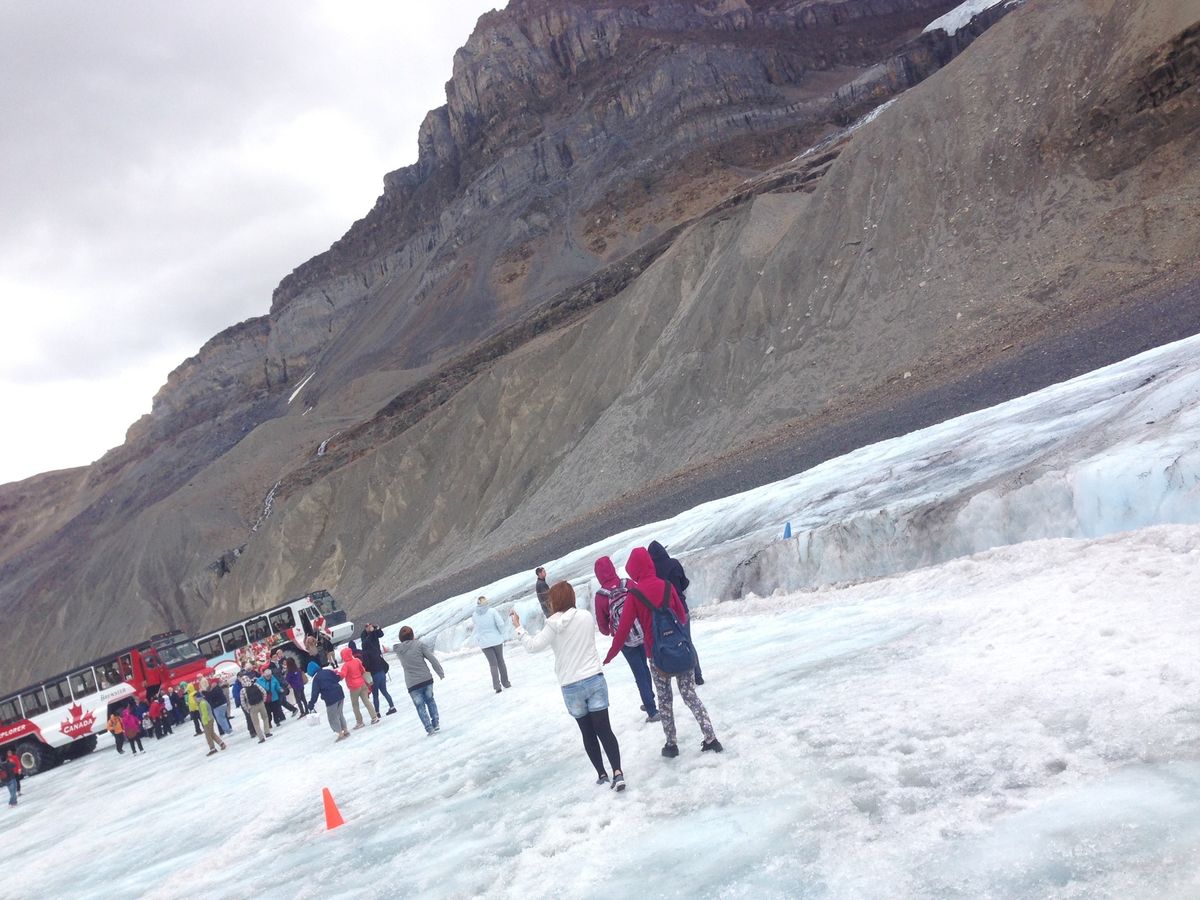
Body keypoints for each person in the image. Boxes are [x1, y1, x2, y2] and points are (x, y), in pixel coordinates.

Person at [604, 546, 723, 757]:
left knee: (665, 701)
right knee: (690, 695)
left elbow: (623, 630)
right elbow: (682, 617)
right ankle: (711, 738)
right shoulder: (667, 586)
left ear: (634, 569)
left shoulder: (635, 595)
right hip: (680, 649)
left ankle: (671, 745)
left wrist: (611, 654)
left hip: (657, 657)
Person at [511, 582, 625, 791]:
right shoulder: (585, 617)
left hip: (571, 685)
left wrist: (518, 627)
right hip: (593, 678)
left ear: (554, 601)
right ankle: (618, 773)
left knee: (587, 732)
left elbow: (532, 646)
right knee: (604, 729)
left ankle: (602, 774)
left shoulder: (551, 625)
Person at [594, 556, 659, 723]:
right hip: (642, 632)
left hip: (624, 640)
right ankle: (649, 698)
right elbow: (642, 602)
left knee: (638, 671)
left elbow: (602, 626)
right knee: (645, 666)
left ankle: (651, 709)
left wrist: (610, 630)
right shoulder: (628, 583)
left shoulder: (600, 596)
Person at [648, 540, 703, 684]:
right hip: (682, 609)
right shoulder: (674, 563)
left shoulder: (652, 570)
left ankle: (675, 672)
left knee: (670, 644)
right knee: (687, 642)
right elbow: (684, 583)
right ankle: (697, 675)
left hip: (665, 614)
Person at [392, 626, 445, 735]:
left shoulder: (398, 650)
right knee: (430, 700)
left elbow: (391, 648)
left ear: (400, 638)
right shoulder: (419, 645)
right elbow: (432, 659)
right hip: (426, 679)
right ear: (412, 635)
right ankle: (435, 723)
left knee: (420, 706)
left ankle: (429, 728)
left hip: (412, 684)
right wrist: (440, 672)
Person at [473, 596, 511, 693]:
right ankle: (506, 683)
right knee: (500, 661)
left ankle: (497, 686)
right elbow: (500, 624)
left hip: (484, 643)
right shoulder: (492, 611)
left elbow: (476, 629)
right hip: (496, 640)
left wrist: (479, 639)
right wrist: (501, 633)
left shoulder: (475, 615)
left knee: (493, 664)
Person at [307, 662, 350, 741]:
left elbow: (315, 693)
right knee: (339, 713)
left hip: (330, 698)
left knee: (332, 717)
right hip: (339, 693)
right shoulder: (328, 671)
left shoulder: (316, 679)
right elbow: (337, 678)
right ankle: (346, 730)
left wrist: (311, 704)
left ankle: (340, 734)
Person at [360, 624, 397, 716]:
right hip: (381, 672)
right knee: (384, 691)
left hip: (374, 675)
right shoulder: (376, 651)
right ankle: (392, 706)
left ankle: (377, 712)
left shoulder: (365, 653)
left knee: (375, 694)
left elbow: (366, 665)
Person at [338, 647, 379, 728]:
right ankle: (374, 717)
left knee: (355, 705)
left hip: (354, 687)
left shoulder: (346, 665)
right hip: (362, 684)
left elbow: (342, 675)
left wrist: (337, 674)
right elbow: (363, 670)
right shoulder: (357, 660)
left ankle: (360, 722)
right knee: (366, 701)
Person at [238, 667, 272, 743]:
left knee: (256, 723)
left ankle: (261, 738)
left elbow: (242, 702)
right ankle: (267, 732)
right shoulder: (256, 685)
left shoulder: (243, 690)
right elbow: (264, 692)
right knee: (265, 718)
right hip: (260, 703)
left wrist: (247, 709)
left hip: (252, 707)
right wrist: (263, 701)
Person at [197, 692, 227, 756]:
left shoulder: (202, 703)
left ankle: (212, 748)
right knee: (212, 733)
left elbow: (204, 713)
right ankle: (221, 743)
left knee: (208, 735)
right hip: (210, 719)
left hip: (207, 720)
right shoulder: (204, 702)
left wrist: (204, 722)